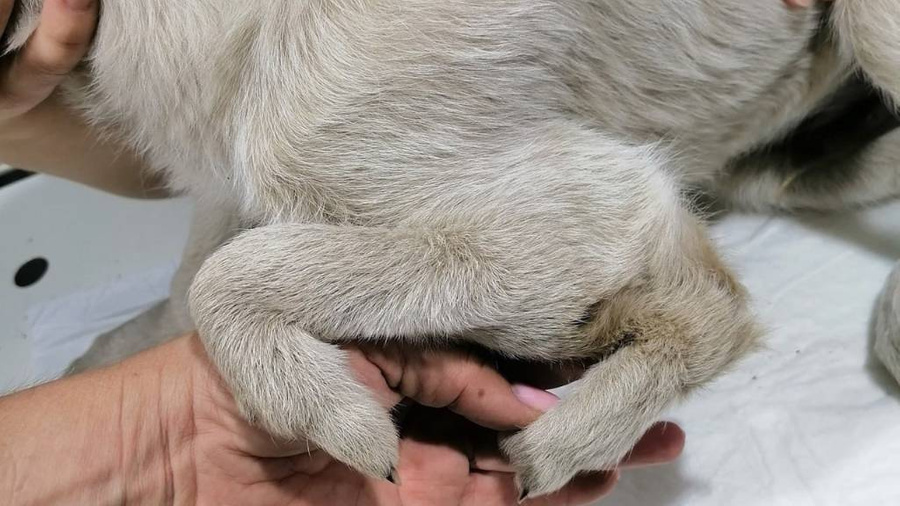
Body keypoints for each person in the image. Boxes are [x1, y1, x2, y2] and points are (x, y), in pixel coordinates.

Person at [18, 0, 859, 503]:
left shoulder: (312, 101)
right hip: (765, 152)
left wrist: (245, 294)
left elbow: (590, 234)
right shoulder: (230, 93)